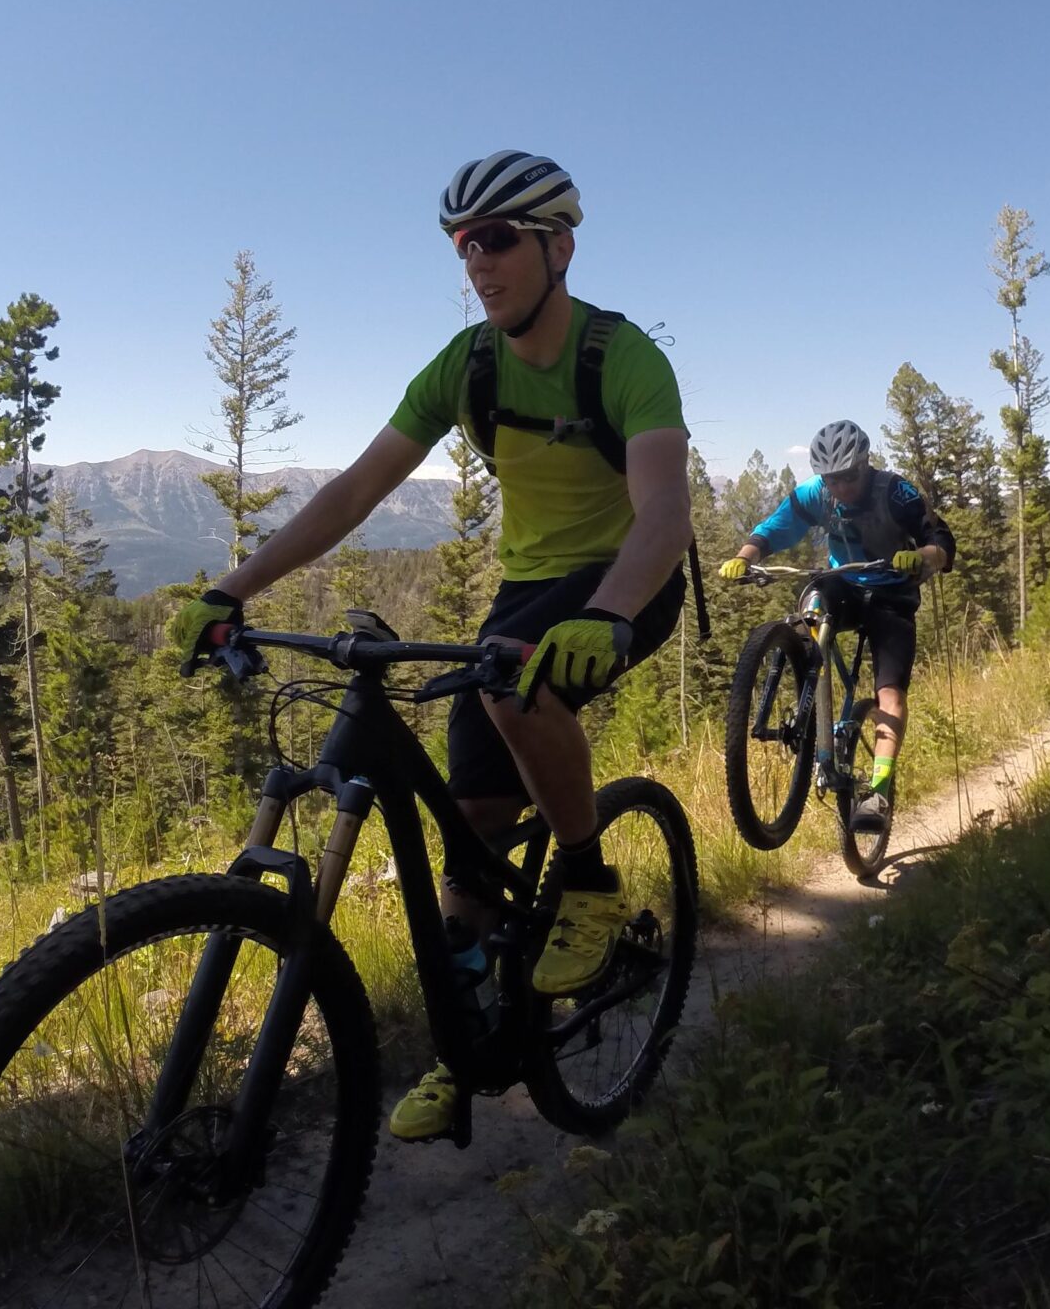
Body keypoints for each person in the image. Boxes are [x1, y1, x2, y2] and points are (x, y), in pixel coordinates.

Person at [166, 151, 694, 1145]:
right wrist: (231, 588)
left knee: (516, 685)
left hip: (630, 576)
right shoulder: (467, 367)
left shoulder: (621, 355)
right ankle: (473, 1048)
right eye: (463, 245)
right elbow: (352, 492)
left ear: (558, 247)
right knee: (469, 834)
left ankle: (587, 880)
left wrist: (613, 611)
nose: (478, 263)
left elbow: (664, 508)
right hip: (529, 590)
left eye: (497, 240)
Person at [718, 419, 952, 831]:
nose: (840, 487)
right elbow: (777, 526)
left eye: (848, 477)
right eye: (832, 479)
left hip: (892, 594)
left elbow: (940, 539)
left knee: (889, 691)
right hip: (843, 584)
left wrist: (924, 556)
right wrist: (746, 555)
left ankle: (877, 792)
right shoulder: (817, 494)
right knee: (814, 591)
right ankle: (806, 674)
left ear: (865, 464)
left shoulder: (895, 492)